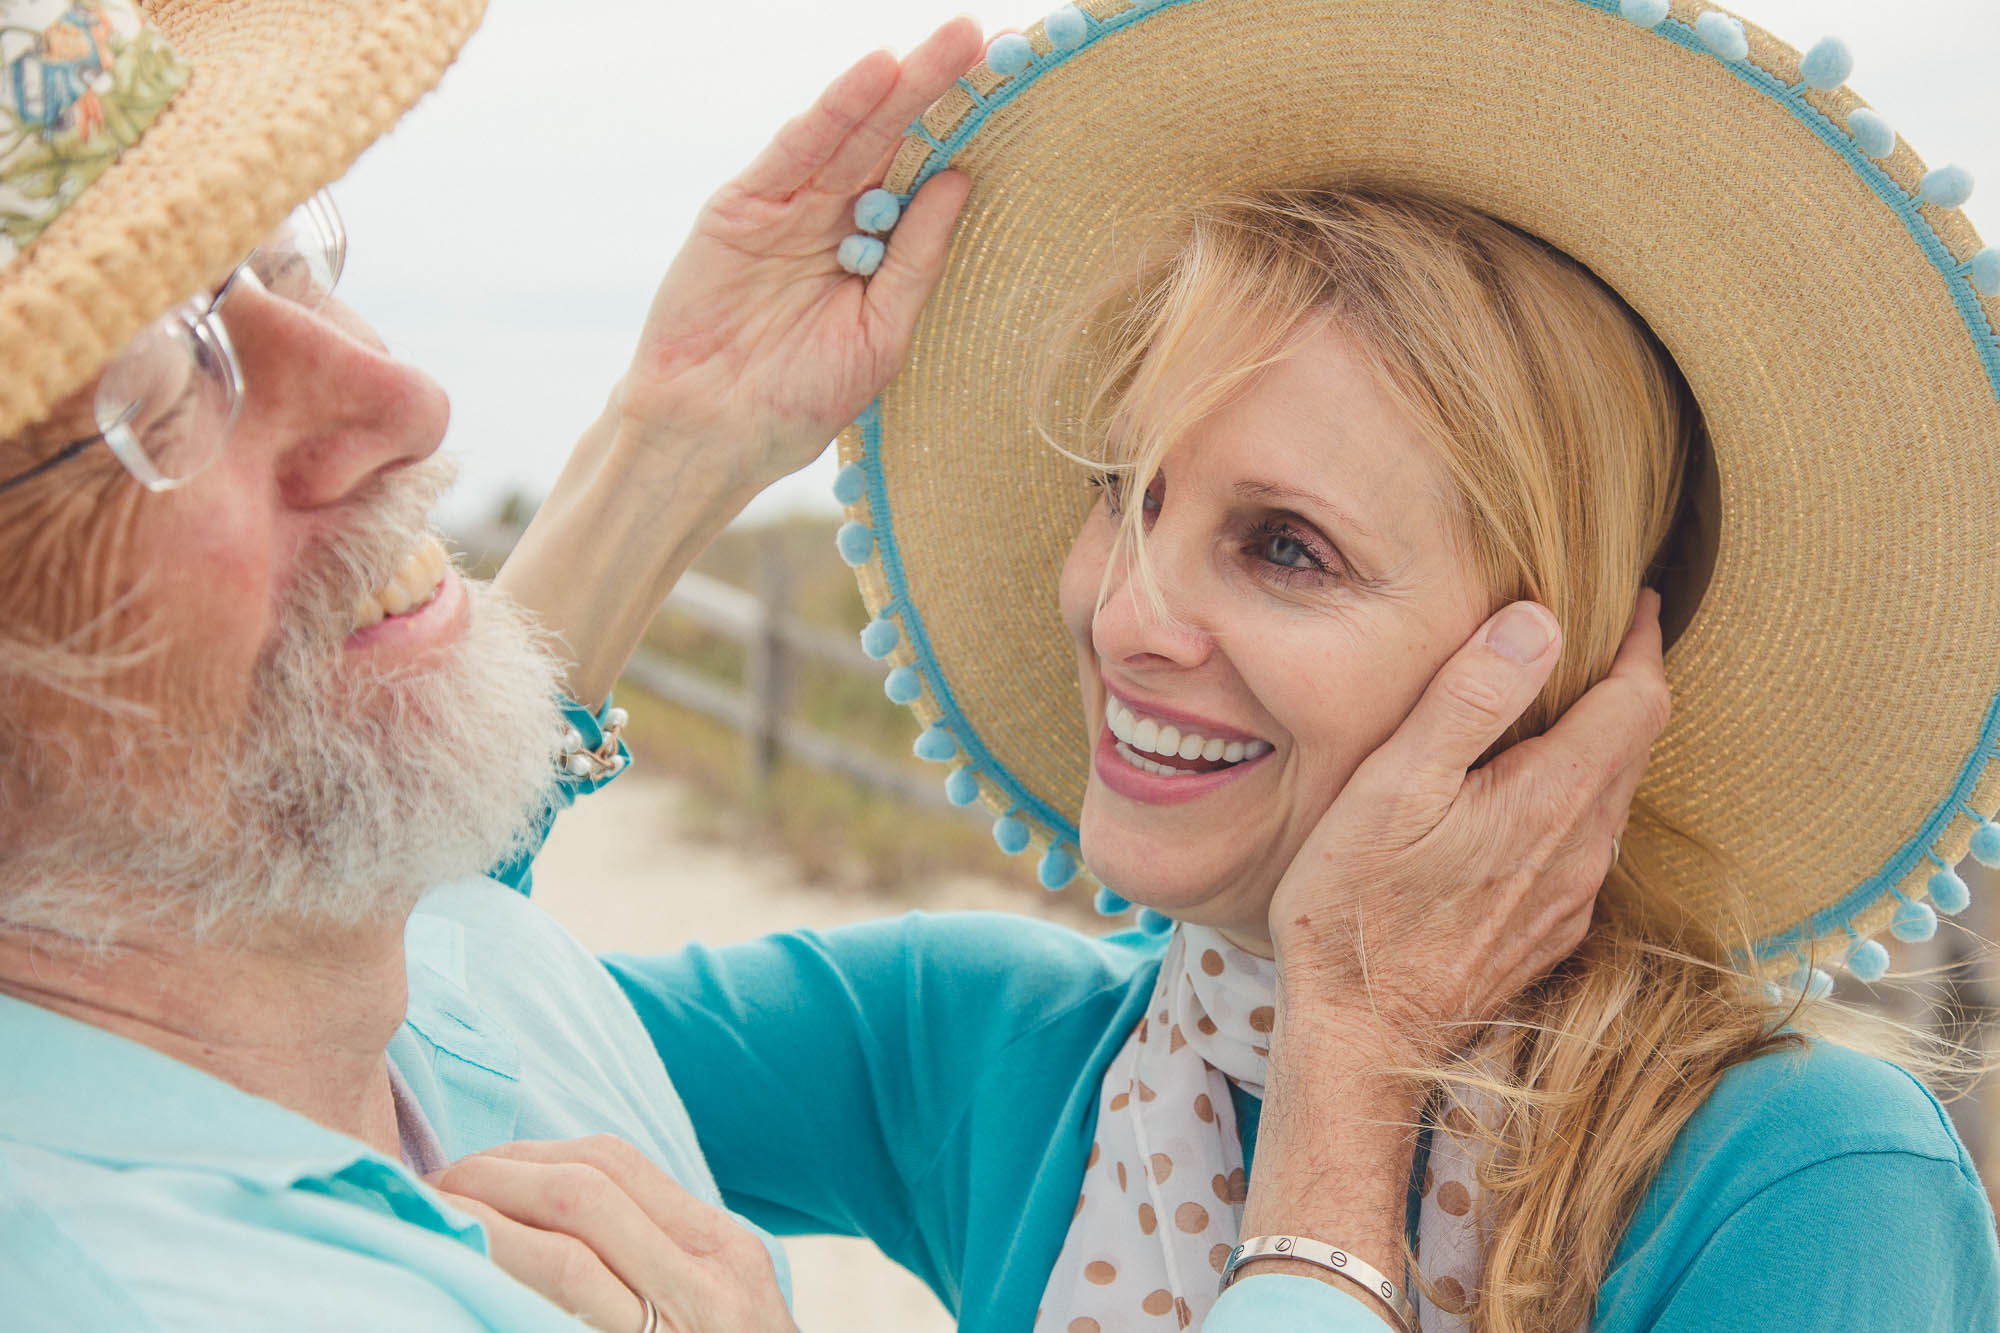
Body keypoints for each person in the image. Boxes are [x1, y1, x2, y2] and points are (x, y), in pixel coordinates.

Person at [0, 2, 1620, 1331]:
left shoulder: (1784, 1166)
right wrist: (1354, 1064)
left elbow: (429, 881)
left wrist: (674, 437)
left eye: (283, 267)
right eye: (156, 383)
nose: (411, 400)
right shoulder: (993, 1047)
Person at [541, 2, 2000, 1330]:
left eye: (1287, 546)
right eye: (1126, 488)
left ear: (1553, 679)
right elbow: (393, 1036)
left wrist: (1352, 1071)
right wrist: (666, 444)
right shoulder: (988, 1044)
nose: (1124, 616)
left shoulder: (1800, 1182)